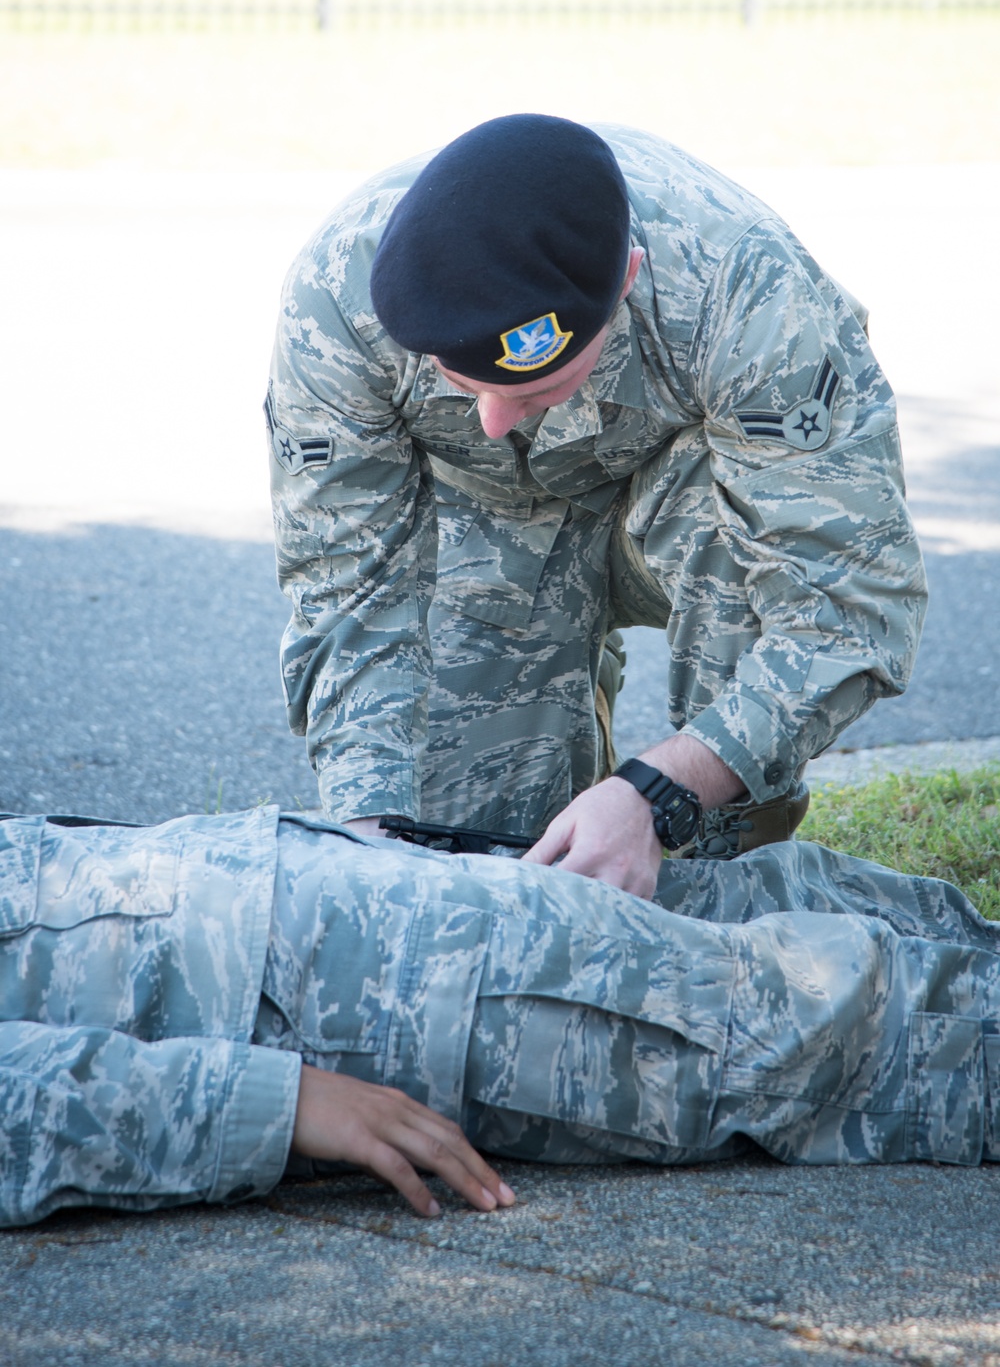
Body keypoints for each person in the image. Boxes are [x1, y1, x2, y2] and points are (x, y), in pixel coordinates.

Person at [267, 115, 926, 898]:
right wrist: (370, 831)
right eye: (459, 381)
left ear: (626, 282)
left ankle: (727, 887)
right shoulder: (338, 303)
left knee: (719, 875)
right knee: (470, 866)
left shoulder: (747, 289)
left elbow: (844, 606)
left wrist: (659, 796)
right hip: (491, 527)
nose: (492, 420)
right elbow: (351, 594)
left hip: (691, 510)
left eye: (532, 387)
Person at [2, 804, 998, 1229]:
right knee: (802, 1032)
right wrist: (273, 1101)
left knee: (781, 898)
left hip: (300, 886)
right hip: (327, 1008)